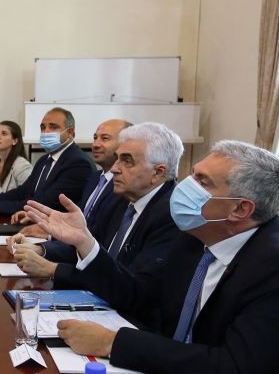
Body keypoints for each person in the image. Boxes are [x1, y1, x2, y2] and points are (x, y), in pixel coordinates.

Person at [24, 140, 279, 374]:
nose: (186, 187)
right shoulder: (196, 237)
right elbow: (138, 293)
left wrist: (114, 342)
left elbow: (232, 369)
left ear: (241, 208)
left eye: (203, 182)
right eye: (193, 174)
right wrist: (85, 242)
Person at [14, 122, 181, 290]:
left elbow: (135, 288)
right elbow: (93, 250)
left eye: (127, 161)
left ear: (158, 172)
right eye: (117, 159)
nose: (115, 169)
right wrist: (41, 249)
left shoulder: (171, 215)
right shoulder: (124, 200)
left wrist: (53, 269)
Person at [9, 118, 130, 245]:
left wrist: (51, 235)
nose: (95, 144)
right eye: (95, 138)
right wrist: (46, 220)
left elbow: (98, 232)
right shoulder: (95, 178)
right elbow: (80, 218)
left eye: (105, 138)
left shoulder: (123, 187)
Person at [0, 107, 92, 216]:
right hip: (32, 222)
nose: (46, 132)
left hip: (54, 235)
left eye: (53, 127)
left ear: (70, 132)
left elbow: (46, 204)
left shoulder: (78, 163)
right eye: (43, 127)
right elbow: (23, 192)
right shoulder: (44, 160)